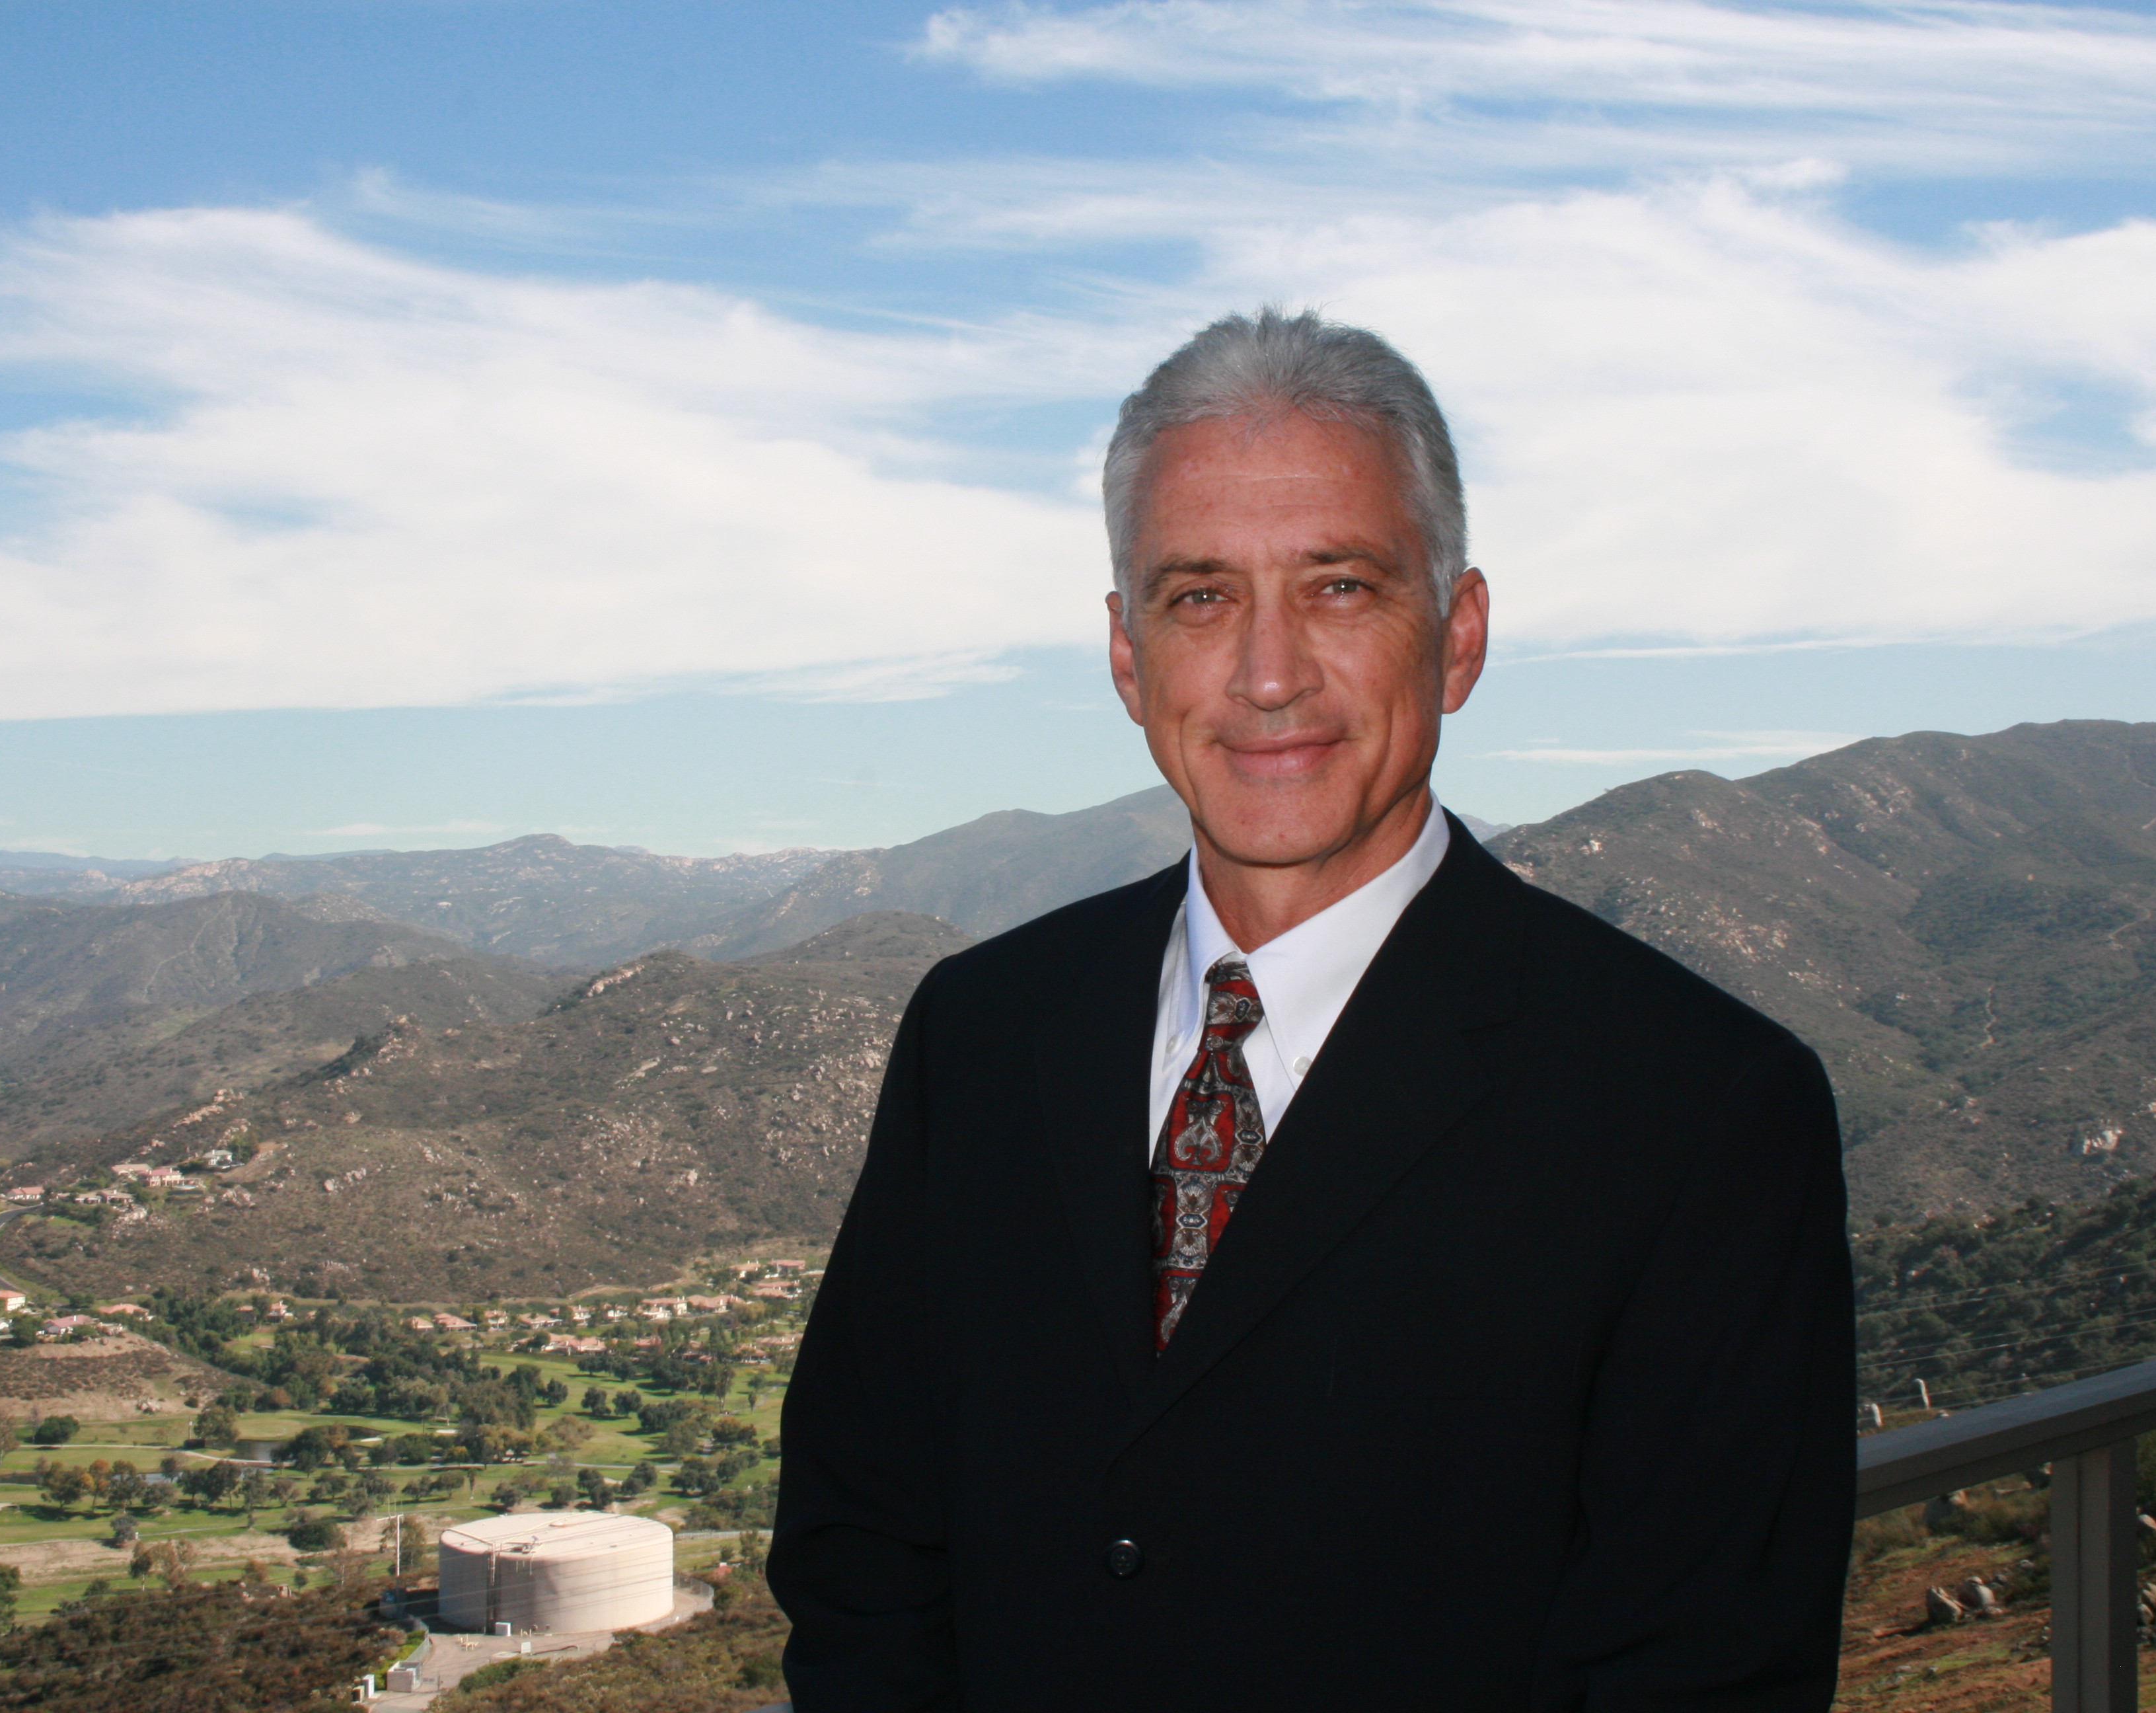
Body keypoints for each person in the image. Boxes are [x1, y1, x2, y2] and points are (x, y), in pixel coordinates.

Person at [768, 308, 1855, 1711]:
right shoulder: (977, 1033)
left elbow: (1705, 1669)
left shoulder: (1699, 1109)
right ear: (1128, 658)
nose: (1269, 674)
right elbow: (860, 1541)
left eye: (1340, 587)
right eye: (1201, 597)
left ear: (1456, 637)